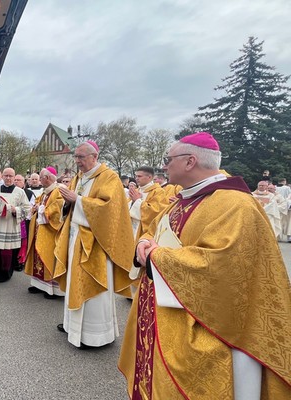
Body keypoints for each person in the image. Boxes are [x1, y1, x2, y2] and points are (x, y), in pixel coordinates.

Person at [119, 132, 291, 399]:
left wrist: (156, 257)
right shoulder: (184, 198)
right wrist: (144, 241)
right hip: (168, 312)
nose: (164, 166)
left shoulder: (235, 204)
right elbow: (155, 231)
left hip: (216, 324)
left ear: (190, 161)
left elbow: (221, 267)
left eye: (169, 159)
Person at [54, 141, 135, 349]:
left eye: (81, 157)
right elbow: (70, 205)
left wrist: (78, 200)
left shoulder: (109, 178)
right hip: (75, 238)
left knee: (93, 284)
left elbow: (110, 211)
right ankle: (73, 327)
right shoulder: (79, 177)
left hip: (97, 243)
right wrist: (68, 202)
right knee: (74, 281)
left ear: (94, 156)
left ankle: (95, 335)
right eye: (76, 157)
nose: (77, 161)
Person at [127, 166, 169, 296]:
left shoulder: (158, 192)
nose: (136, 179)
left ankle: (141, 292)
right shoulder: (137, 190)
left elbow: (157, 213)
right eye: (136, 176)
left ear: (149, 177)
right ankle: (131, 291)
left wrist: (138, 201)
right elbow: (127, 208)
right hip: (133, 229)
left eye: (139, 176)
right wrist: (134, 201)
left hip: (145, 233)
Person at [24, 167, 65, 298]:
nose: (39, 180)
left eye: (40, 178)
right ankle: (39, 284)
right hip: (40, 231)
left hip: (50, 233)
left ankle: (53, 289)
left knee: (48, 257)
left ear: (47, 178)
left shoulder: (58, 191)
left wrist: (40, 209)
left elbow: (57, 210)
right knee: (39, 257)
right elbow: (38, 202)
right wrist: (36, 206)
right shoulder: (46, 192)